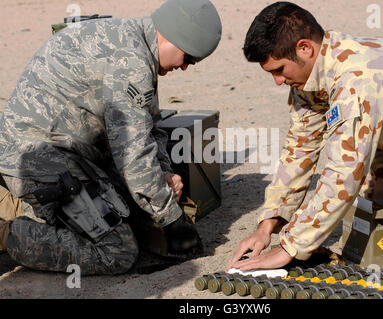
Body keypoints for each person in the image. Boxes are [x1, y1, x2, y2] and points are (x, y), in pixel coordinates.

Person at [0, 0, 222, 275]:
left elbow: (149, 127)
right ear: (173, 36)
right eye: (188, 58)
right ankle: (6, 233)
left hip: (63, 148)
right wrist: (172, 221)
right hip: (35, 157)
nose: (185, 67)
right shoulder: (131, 64)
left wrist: (164, 174)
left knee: (131, 207)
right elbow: (133, 155)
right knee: (117, 252)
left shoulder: (132, 41)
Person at [227, 1, 383, 275]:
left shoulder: (356, 79)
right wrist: (268, 224)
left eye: (279, 70)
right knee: (370, 248)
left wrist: (290, 247)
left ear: (304, 48)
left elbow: (344, 173)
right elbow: (300, 148)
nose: (277, 81)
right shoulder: (310, 75)